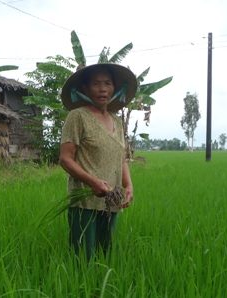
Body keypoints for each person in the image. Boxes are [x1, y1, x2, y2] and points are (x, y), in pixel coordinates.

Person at [59, 63, 137, 261]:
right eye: (96, 83)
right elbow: (65, 159)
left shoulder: (116, 121)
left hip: (111, 201)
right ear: (85, 89)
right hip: (85, 202)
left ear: (115, 88)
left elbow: (121, 159)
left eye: (108, 83)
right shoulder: (77, 117)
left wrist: (128, 186)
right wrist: (93, 182)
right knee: (83, 260)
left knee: (105, 257)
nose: (103, 88)